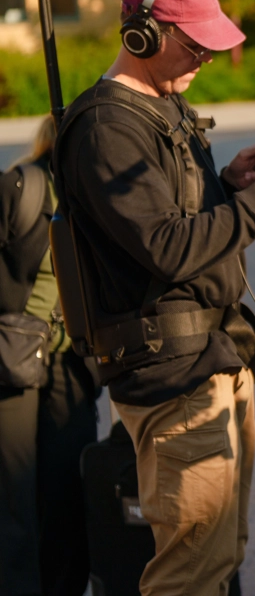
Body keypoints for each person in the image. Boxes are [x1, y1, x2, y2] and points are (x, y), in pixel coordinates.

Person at [53, 0, 255, 596]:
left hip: (216, 354)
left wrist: (229, 183)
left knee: (219, 552)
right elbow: (167, 248)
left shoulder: (165, 107)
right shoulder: (105, 126)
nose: (206, 56)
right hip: (171, 371)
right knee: (189, 570)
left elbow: (171, 214)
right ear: (142, 36)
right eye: (196, 42)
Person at [0, 116, 99, 596]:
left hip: (71, 363)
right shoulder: (24, 185)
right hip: (12, 358)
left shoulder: (98, 193)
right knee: (13, 494)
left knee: (68, 488)